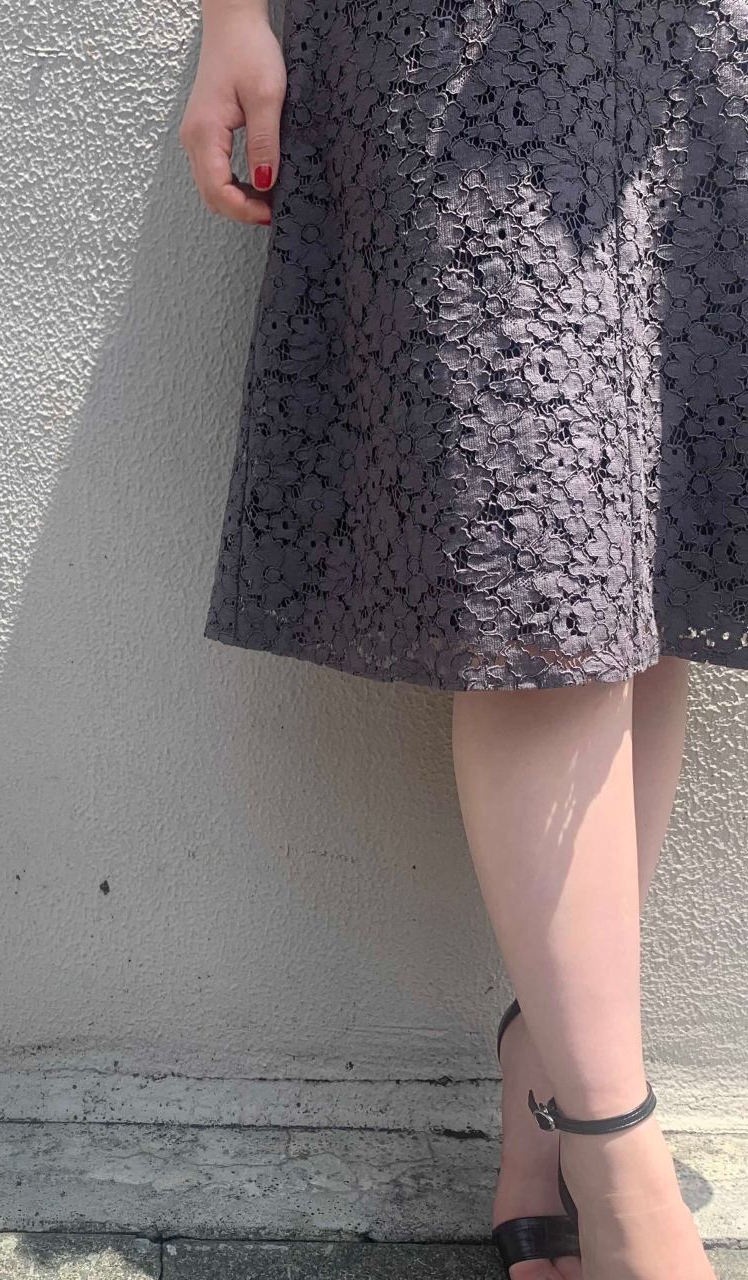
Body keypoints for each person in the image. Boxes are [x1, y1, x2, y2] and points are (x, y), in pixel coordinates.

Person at [181, 0, 747, 1274]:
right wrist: (229, 15)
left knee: (636, 567)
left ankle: (547, 1078)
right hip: (447, 50)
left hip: (689, 48)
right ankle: (621, 1165)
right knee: (534, 584)